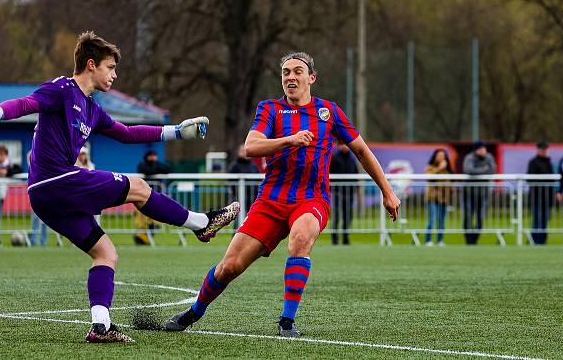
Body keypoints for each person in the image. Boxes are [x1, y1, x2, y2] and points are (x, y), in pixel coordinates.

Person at [0, 31, 238, 343]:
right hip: (53, 181)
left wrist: (175, 132)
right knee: (137, 186)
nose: (115, 74)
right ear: (91, 65)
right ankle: (201, 223)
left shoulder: (92, 108)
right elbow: (27, 103)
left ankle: (100, 326)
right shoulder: (62, 89)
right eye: (111, 67)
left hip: (47, 198)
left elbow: (125, 133)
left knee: (106, 253)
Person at [164, 51, 400, 337]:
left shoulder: (329, 112)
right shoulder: (270, 109)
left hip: (311, 199)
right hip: (271, 200)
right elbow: (251, 147)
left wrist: (387, 192)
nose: (291, 76)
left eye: (298, 71)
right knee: (230, 266)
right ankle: (194, 312)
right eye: (286, 72)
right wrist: (289, 139)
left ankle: (286, 322)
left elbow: (362, 151)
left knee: (300, 239)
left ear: (311, 78)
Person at [462, 140, 495, 245]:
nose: (483, 151)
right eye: (480, 149)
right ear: (476, 150)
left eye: (484, 148)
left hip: (483, 192)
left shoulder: (489, 157)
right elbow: (469, 170)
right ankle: (468, 240)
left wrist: (480, 170)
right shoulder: (469, 158)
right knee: (468, 216)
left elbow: (493, 170)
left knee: (481, 217)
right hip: (469, 193)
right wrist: (484, 169)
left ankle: (474, 239)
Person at [134, 150, 170, 245]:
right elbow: (147, 171)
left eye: (155, 156)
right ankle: (141, 238)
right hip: (143, 195)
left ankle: (147, 236)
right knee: (143, 217)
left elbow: (167, 169)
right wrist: (155, 165)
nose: (153, 158)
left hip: (156, 195)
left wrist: (155, 164)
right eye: (151, 156)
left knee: (155, 216)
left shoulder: (158, 164)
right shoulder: (142, 165)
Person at [329, 141, 358, 245]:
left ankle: (345, 238)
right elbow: (329, 173)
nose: (344, 147)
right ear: (338, 146)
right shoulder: (334, 157)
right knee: (336, 216)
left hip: (349, 192)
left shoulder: (352, 158)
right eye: (342, 144)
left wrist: (355, 189)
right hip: (338, 192)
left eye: (346, 144)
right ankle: (334, 238)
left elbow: (356, 173)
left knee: (348, 217)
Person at [526, 141, 554, 245]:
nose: (544, 151)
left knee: (544, 222)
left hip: (547, 198)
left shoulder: (549, 162)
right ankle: (535, 241)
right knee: (536, 221)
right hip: (536, 197)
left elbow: (552, 180)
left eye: (546, 149)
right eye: (542, 149)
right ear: (538, 150)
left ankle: (542, 242)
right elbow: (529, 178)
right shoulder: (533, 162)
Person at [227, 144, 261, 228]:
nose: (245, 153)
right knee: (238, 222)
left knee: (253, 221)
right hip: (239, 199)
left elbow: (257, 181)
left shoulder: (254, 166)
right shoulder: (234, 166)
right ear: (239, 152)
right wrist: (236, 195)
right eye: (242, 151)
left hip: (253, 198)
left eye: (246, 150)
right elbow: (231, 182)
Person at [424, 148, 453, 246]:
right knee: (432, 219)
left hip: (444, 199)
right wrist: (439, 169)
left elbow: (449, 183)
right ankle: (428, 240)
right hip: (432, 198)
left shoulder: (447, 171)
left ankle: (440, 240)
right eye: (439, 155)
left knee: (441, 221)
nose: (441, 157)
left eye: (443, 155)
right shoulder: (430, 167)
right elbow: (429, 178)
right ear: (435, 157)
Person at [26, 150, 50, 247]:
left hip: (47, 194)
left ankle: (43, 242)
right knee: (35, 219)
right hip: (37, 195)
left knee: (45, 220)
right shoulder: (33, 167)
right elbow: (29, 155)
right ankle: (33, 240)